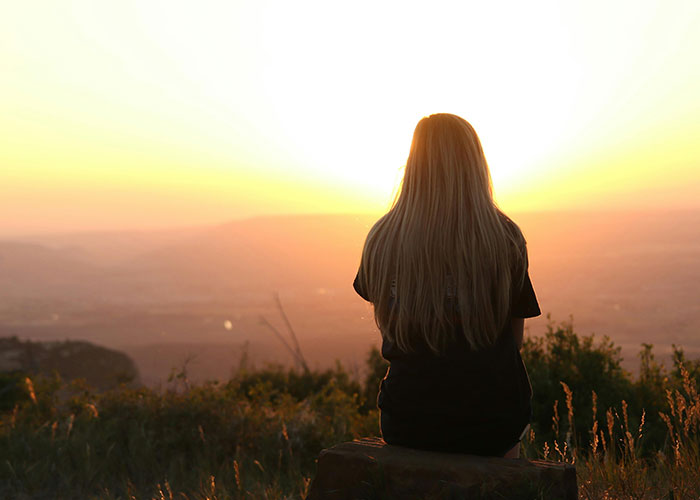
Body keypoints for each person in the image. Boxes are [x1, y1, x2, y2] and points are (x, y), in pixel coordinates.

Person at [353, 113, 540, 458]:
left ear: (413, 165)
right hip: (493, 422)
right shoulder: (506, 239)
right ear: (475, 166)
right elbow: (514, 342)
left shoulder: (381, 239)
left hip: (407, 420)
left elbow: (389, 325)